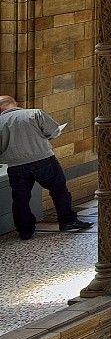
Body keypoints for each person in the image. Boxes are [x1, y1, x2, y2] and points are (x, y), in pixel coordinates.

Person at [0, 95, 87, 239]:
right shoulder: (35, 113)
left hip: (15, 166)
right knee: (59, 190)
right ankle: (68, 221)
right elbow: (53, 132)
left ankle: (25, 230)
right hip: (43, 160)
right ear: (14, 103)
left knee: (20, 198)